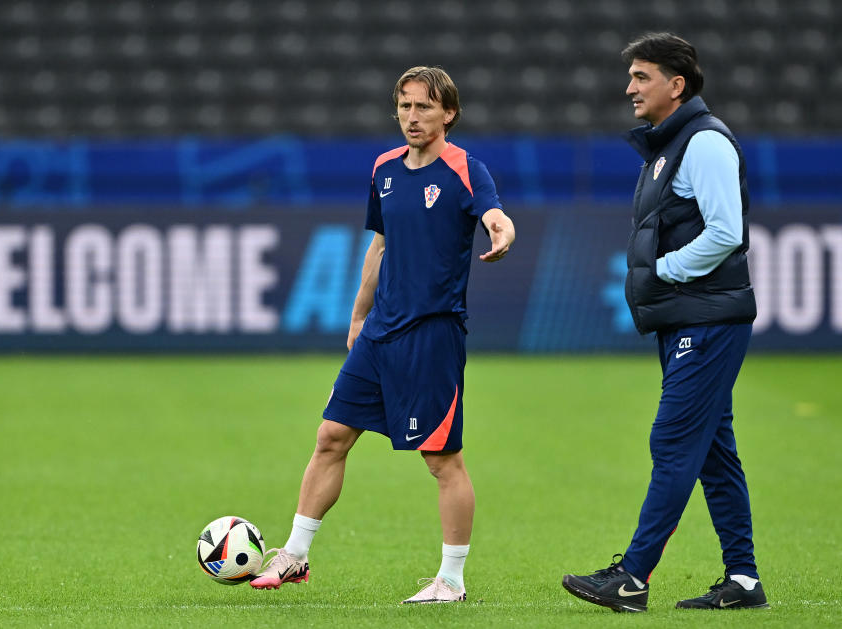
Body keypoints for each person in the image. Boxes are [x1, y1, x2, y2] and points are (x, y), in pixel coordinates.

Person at [249, 66, 515, 604]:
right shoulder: (385, 169)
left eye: (424, 107)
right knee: (330, 437)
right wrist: (357, 317)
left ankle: (452, 581)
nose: (412, 117)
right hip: (379, 333)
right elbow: (379, 245)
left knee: (442, 460)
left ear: (448, 114)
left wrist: (501, 229)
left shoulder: (465, 168)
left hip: (432, 335)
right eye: (405, 106)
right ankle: (295, 554)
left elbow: (494, 214)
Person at [561, 33, 767, 613]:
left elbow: (727, 232)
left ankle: (632, 576)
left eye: (642, 76)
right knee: (711, 451)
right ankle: (744, 580)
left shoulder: (703, 144)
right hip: (688, 319)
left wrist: (664, 272)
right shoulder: (670, 146)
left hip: (705, 320)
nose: (629, 87)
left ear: (676, 85)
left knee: (673, 441)